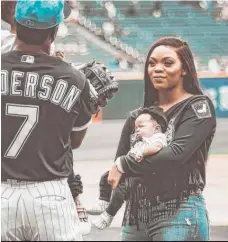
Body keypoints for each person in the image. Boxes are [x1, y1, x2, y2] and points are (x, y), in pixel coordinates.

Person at [108, 37, 216, 241]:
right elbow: (118, 172)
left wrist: (124, 164)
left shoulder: (197, 107)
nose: (157, 69)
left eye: (167, 63)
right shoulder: (137, 116)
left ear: (184, 69)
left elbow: (175, 155)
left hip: (178, 212)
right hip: (135, 218)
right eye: (151, 63)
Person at [1, 0, 93, 240]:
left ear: (16, 24)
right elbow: (75, 141)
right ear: (53, 32)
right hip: (49, 193)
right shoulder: (74, 78)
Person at [92, 106, 168, 230]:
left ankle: (109, 214)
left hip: (139, 173)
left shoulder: (157, 138)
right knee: (106, 176)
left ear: (156, 128)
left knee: (121, 189)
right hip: (129, 167)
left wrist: (142, 152)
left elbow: (157, 148)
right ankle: (103, 200)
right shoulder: (140, 139)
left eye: (141, 127)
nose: (137, 130)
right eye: (136, 128)